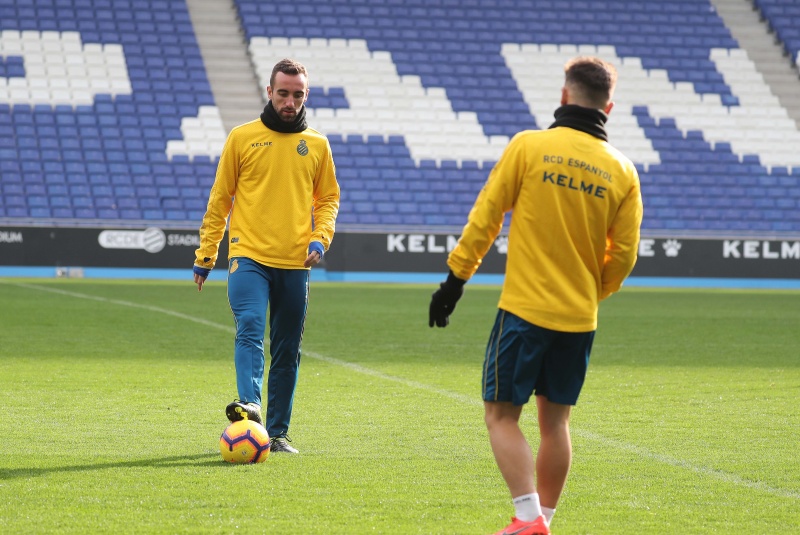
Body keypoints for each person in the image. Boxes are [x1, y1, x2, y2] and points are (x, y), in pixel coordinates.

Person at [429, 56, 643, 534]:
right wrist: (590, 292)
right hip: (579, 318)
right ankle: (543, 521)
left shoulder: (529, 147)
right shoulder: (623, 171)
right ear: (608, 107)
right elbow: (624, 256)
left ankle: (528, 519)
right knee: (556, 424)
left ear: (564, 96)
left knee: (501, 416)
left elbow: (486, 218)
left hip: (525, 312)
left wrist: (454, 281)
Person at [193, 58, 340, 454]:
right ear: (270, 91)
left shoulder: (318, 145)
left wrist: (320, 239)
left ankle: (276, 435)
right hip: (249, 256)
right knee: (251, 325)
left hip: (295, 262)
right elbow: (220, 199)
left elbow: (328, 198)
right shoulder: (242, 138)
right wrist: (206, 255)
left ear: (306, 95)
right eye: (283, 93)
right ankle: (250, 406)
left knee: (287, 350)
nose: (290, 102)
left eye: (297, 95)